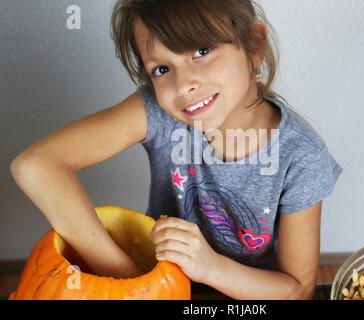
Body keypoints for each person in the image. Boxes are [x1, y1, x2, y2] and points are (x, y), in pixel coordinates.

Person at [10, 0, 342, 299]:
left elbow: (297, 291)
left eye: (201, 51)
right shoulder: (157, 111)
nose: (183, 85)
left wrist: (211, 268)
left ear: (254, 45)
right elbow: (36, 165)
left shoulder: (302, 157)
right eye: (162, 69)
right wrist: (126, 274)